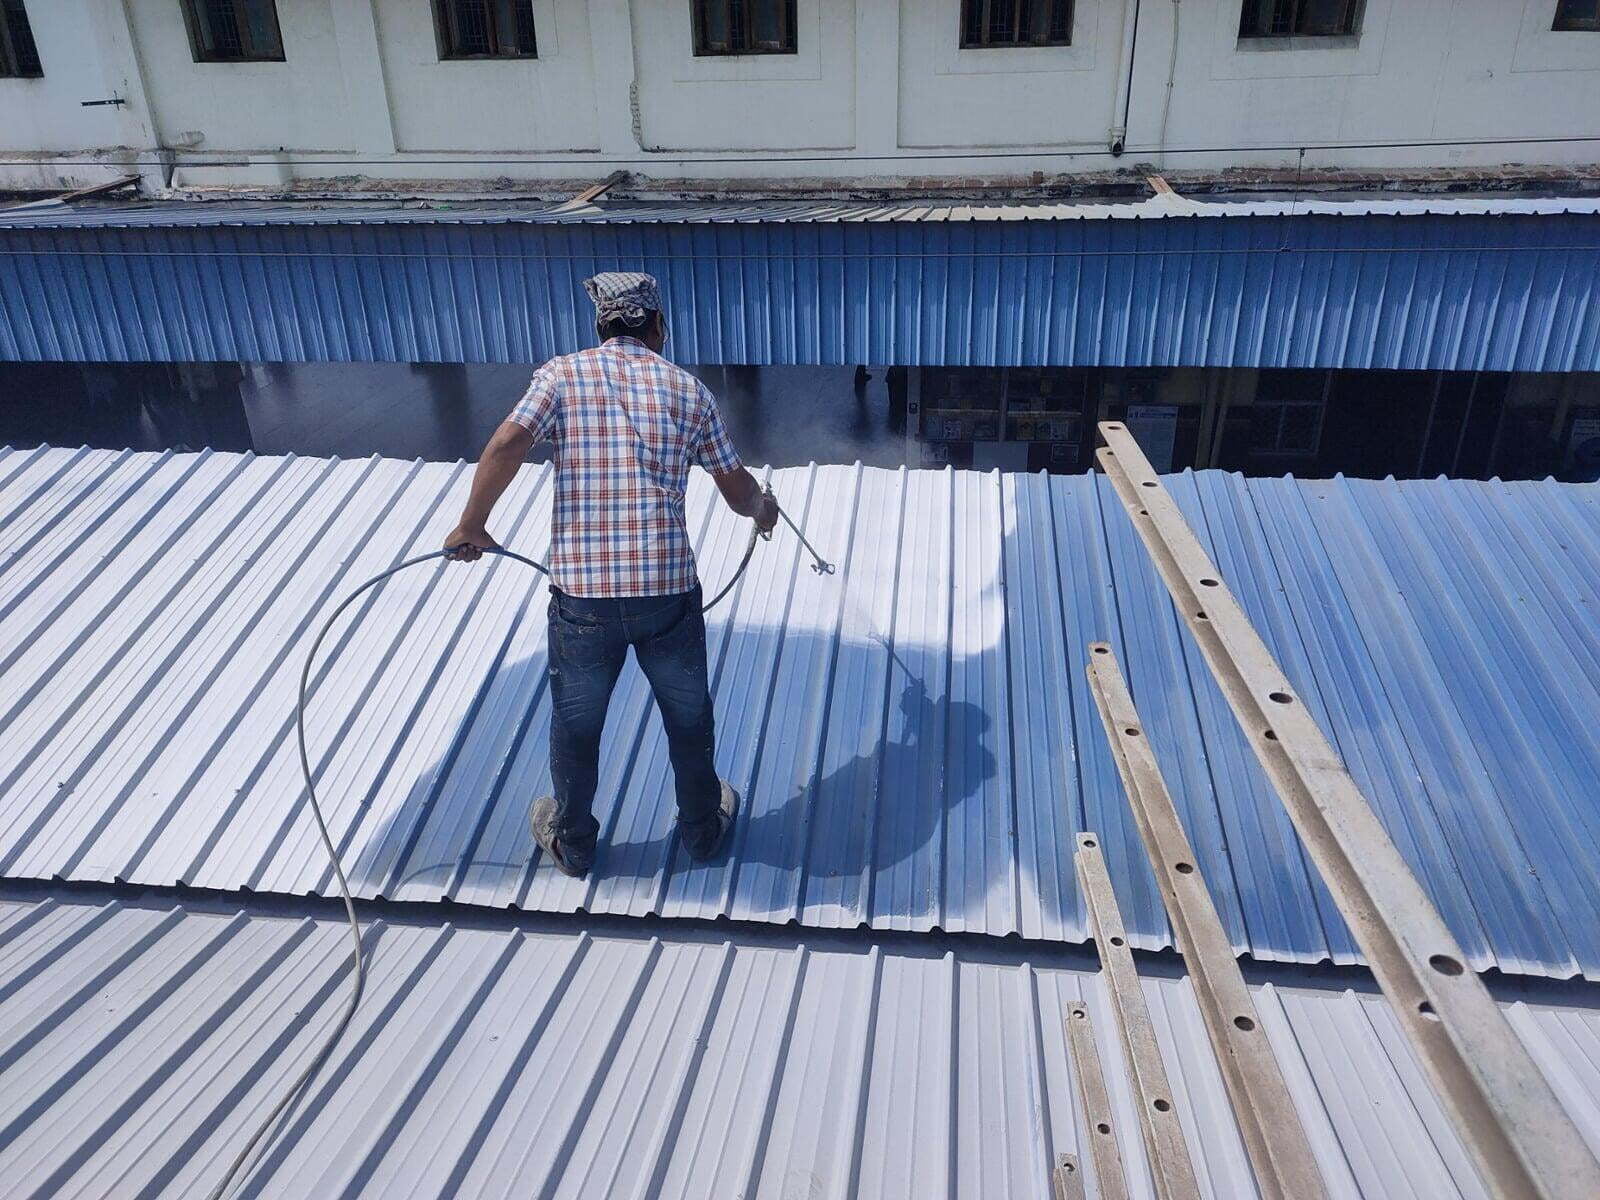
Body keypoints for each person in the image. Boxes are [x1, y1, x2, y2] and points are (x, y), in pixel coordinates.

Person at [443, 272, 778, 878]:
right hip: (666, 594)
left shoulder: (561, 377)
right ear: (656, 328)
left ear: (601, 326)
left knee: (577, 724)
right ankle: (702, 830)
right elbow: (735, 487)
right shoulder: (687, 391)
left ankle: (573, 843)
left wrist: (472, 523)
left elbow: (506, 444)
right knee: (687, 715)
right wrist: (764, 510)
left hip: (583, 601)